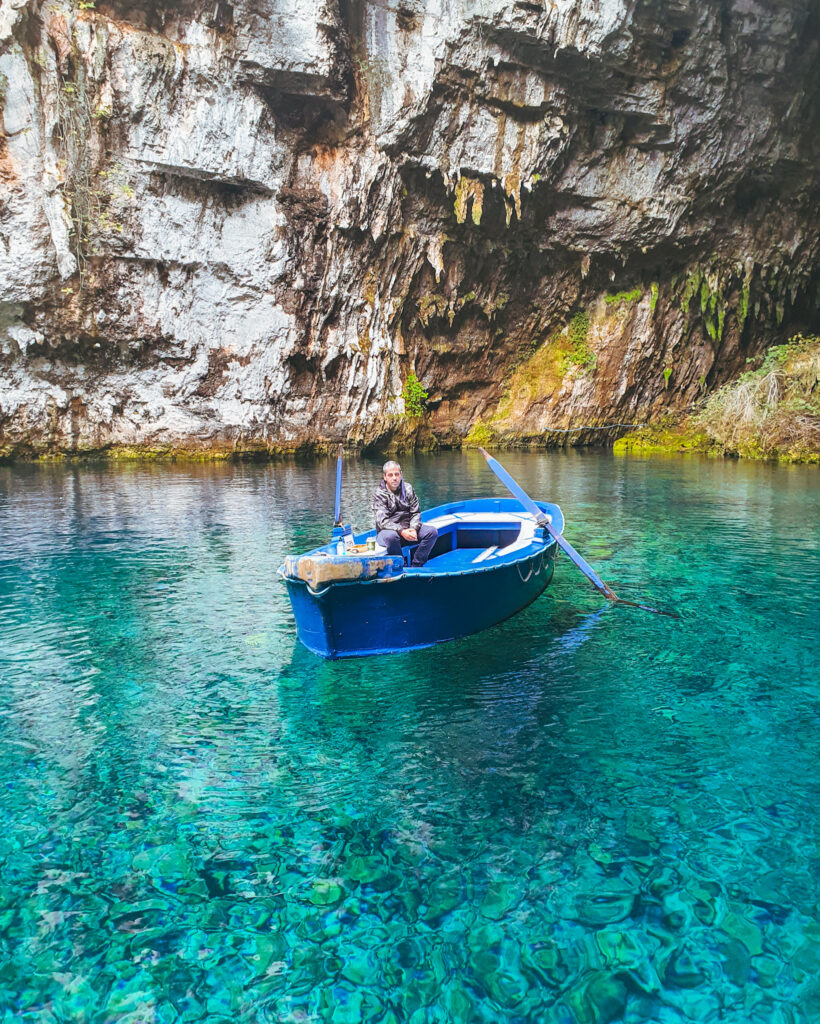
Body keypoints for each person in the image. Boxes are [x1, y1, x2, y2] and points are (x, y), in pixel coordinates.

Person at [373, 461, 438, 567]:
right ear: (385, 477)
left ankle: (416, 565)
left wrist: (413, 528)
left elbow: (415, 512)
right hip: (387, 533)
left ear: (401, 474)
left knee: (431, 532)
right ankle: (401, 566)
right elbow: (382, 521)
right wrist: (401, 531)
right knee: (391, 537)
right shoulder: (379, 494)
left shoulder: (408, 489)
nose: (394, 478)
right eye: (390, 475)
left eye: (397, 474)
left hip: (409, 529)